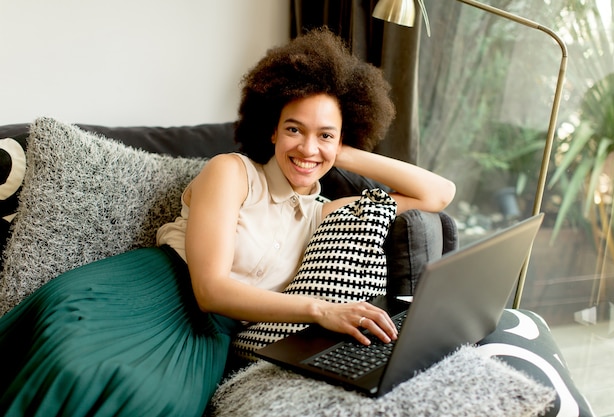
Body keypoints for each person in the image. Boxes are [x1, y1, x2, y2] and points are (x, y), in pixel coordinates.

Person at [0, 28, 455, 417]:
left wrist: (342, 148)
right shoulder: (232, 172)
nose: (307, 148)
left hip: (208, 336)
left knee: (160, 404)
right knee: (77, 369)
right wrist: (322, 310)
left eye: (325, 136)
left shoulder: (326, 214)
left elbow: (437, 194)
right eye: (294, 128)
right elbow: (210, 289)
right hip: (140, 292)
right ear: (272, 129)